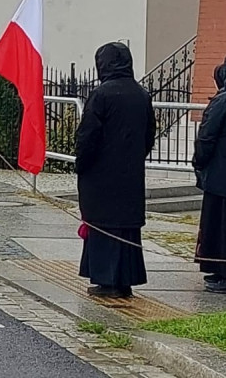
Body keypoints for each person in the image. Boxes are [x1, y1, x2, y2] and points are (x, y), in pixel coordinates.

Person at [75, 42, 156, 298]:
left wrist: (82, 163)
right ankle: (124, 280)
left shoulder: (102, 95)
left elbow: (88, 135)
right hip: (130, 172)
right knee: (125, 225)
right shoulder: (141, 94)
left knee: (103, 224)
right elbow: (149, 134)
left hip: (101, 174)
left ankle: (107, 280)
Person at [193, 52, 226, 294]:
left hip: (225, 178)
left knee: (223, 227)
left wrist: (199, 163)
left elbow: (206, 137)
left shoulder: (224, 101)